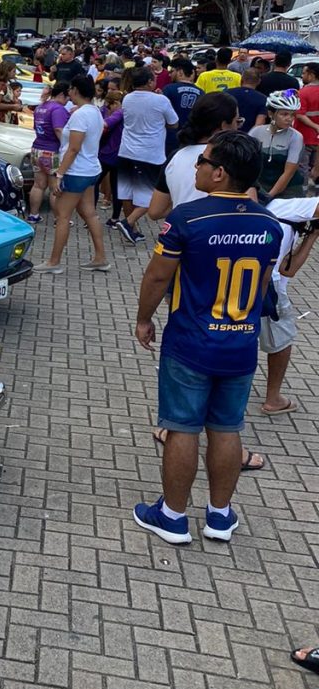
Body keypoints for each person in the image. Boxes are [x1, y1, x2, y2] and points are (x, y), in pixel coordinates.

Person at [133, 131, 280, 544]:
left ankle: (173, 517)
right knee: (227, 428)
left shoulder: (187, 218)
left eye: (203, 161)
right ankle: (219, 516)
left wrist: (144, 318)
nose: (196, 166)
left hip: (191, 342)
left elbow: (158, 276)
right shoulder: (269, 225)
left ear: (219, 173)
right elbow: (261, 287)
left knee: (182, 428)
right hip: (240, 345)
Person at [34, 74, 109, 273]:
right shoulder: (94, 111)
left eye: (70, 90)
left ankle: (54, 262)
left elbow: (73, 148)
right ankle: (100, 257)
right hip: (91, 168)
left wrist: (59, 174)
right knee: (89, 213)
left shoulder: (80, 115)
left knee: (62, 215)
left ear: (75, 90)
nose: (69, 93)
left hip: (77, 171)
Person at [257, 198, 319, 417]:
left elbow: (288, 269)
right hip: (269, 285)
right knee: (282, 341)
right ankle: (273, 399)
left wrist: (313, 235)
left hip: (254, 279)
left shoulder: (285, 218)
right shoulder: (290, 205)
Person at [148, 92, 240, 218]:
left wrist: (181, 202)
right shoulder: (235, 158)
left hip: (182, 227)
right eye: (237, 121)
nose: (238, 127)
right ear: (223, 125)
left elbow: (155, 211)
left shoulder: (176, 156)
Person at [115, 67, 178, 244]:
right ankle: (128, 222)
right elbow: (174, 123)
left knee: (127, 193)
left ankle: (132, 229)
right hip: (150, 154)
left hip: (126, 151)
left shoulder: (127, 98)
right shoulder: (161, 100)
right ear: (150, 82)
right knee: (151, 195)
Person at [250, 90, 306, 200]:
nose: (289, 119)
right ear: (271, 114)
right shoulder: (256, 132)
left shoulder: (296, 137)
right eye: (284, 114)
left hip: (289, 189)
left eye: (292, 115)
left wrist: (269, 196)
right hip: (261, 185)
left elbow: (288, 173)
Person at [27, 80, 70, 224]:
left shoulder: (41, 107)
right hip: (52, 152)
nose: (68, 101)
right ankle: (59, 219)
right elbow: (58, 129)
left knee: (38, 185)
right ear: (62, 94)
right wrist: (66, 145)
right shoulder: (58, 109)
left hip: (37, 149)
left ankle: (33, 215)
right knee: (54, 188)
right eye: (68, 97)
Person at [161, 58, 203, 154]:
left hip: (170, 137)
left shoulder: (168, 89)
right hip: (192, 138)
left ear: (180, 72)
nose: (170, 74)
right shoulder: (201, 92)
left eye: (172, 71)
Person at [99, 90, 125, 225]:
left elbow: (105, 124)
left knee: (95, 183)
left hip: (109, 153)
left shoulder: (119, 112)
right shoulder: (104, 110)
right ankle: (115, 218)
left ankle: (113, 217)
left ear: (114, 103)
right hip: (116, 153)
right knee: (116, 187)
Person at [293, 61, 319, 187]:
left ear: (311, 75)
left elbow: (299, 114)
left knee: (302, 169)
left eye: (304, 73)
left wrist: (315, 126)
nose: (302, 76)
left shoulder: (303, 92)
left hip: (304, 137)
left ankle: (302, 192)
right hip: (316, 139)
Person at [228, 66, 268, 131]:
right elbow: (259, 124)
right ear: (259, 81)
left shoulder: (227, 93)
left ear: (242, 79)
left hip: (227, 134)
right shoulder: (263, 99)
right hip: (249, 135)